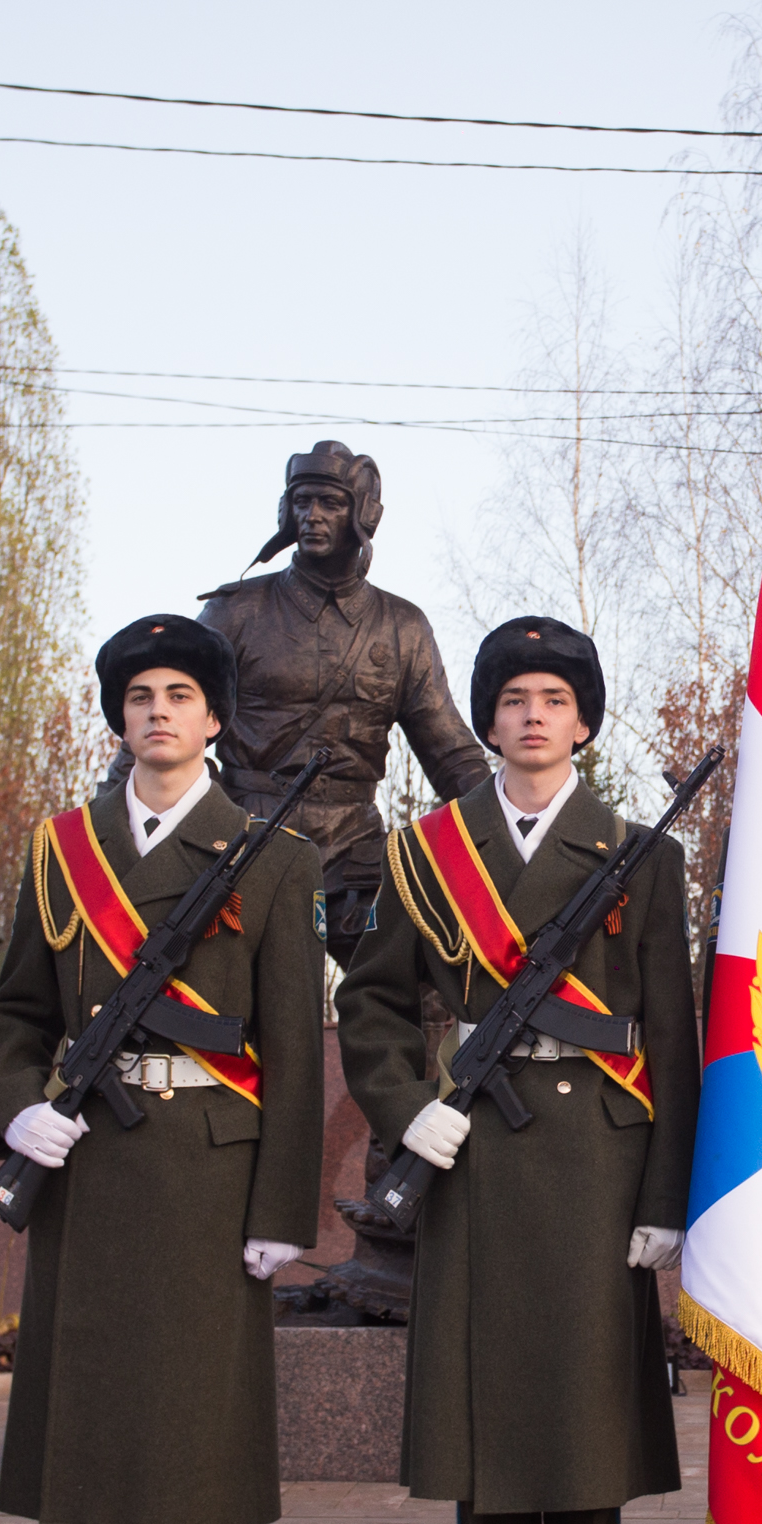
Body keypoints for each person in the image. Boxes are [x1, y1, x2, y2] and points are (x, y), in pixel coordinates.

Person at [338, 616, 695, 1524]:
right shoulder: (424, 853)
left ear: (584, 722)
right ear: (487, 721)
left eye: (553, 698)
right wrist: (408, 1110)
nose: (532, 716)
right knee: (486, 1438)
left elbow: (675, 1042)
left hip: (596, 1162)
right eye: (512, 699)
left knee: (582, 1441)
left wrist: (663, 1196)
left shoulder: (644, 853)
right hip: (474, 1153)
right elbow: (377, 1005)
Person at [0, 616, 326, 1524]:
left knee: (190, 1440)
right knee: (93, 1436)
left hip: (205, 1177)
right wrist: (14, 1109)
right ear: (118, 716)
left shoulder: (271, 857)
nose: (159, 712)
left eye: (182, 693)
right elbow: (18, 1014)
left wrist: (282, 1213)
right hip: (86, 1167)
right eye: (139, 696)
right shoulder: (60, 850)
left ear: (216, 718)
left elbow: (287, 1038)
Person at [201, 444, 492, 1327]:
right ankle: (222, 1228)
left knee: (406, 1006)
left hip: (355, 848)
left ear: (363, 510)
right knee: (218, 1020)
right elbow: (170, 721)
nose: (310, 515)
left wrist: (523, 839)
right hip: (247, 840)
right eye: (299, 501)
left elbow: (449, 751)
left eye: (328, 500)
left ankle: (391, 1230)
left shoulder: (402, 628)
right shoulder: (237, 610)